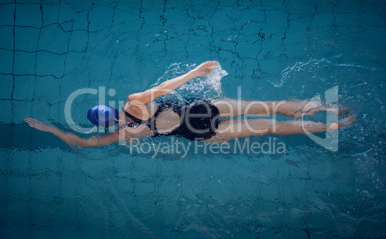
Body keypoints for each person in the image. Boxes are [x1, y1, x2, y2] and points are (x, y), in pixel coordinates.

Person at [25, 61, 355, 148]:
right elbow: (166, 86)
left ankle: (328, 128)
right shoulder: (133, 103)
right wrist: (196, 71)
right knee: (270, 106)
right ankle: (323, 108)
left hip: (200, 133)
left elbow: (84, 141)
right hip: (203, 109)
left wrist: (50, 130)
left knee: (267, 127)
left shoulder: (123, 135)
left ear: (106, 122)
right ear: (110, 109)